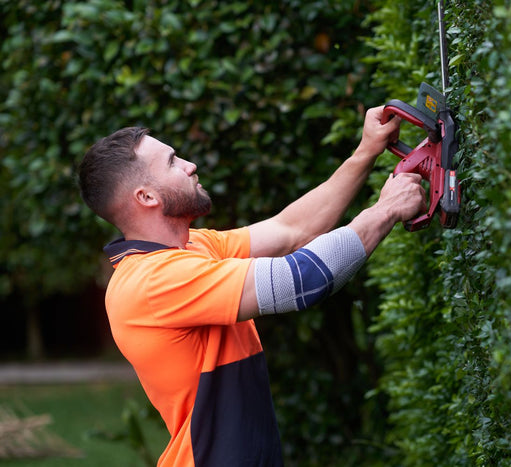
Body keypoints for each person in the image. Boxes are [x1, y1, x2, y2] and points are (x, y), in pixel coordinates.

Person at [78, 105, 425, 466]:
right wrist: (385, 210)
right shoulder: (153, 281)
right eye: (172, 162)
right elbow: (303, 279)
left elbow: (291, 231)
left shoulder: (193, 248)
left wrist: (366, 151)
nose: (189, 165)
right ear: (147, 197)